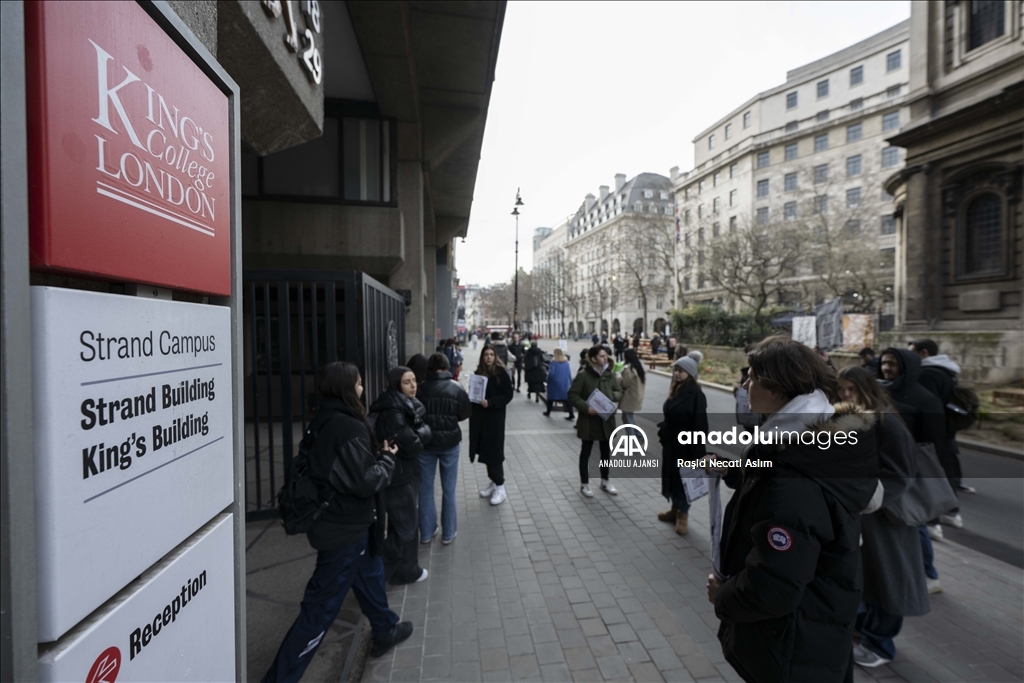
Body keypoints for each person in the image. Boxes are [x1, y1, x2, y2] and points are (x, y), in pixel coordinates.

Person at [708, 337, 879, 683]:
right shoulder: (810, 443)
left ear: (778, 387)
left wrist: (724, 597)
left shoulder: (792, 471)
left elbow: (775, 585)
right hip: (814, 631)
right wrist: (734, 471)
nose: (745, 385)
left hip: (793, 647)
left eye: (752, 377)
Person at [262, 362, 411, 682]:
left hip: (347, 526)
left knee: (369, 573)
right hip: (345, 530)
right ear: (346, 388)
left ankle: (385, 628)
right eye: (358, 383)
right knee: (319, 612)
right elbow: (366, 481)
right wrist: (387, 458)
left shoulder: (323, 419)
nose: (361, 388)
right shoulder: (347, 427)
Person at [837, 366, 930, 669]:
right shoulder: (858, 417)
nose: (846, 395)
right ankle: (867, 630)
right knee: (871, 580)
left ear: (867, 388)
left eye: (852, 388)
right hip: (866, 514)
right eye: (843, 389)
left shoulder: (887, 421)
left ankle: (881, 645)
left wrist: (866, 497)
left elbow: (901, 474)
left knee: (890, 582)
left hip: (887, 519)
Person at [878, 347, 951, 590]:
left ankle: (930, 575)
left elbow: (934, 443)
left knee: (915, 521)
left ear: (907, 367)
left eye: (893, 364)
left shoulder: (926, 399)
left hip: (909, 472)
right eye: (884, 363)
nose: (887, 368)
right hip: (883, 468)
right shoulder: (881, 392)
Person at [368, 366, 432, 585]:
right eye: (407, 382)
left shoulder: (401, 403)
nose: (413, 386)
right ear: (397, 385)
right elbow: (413, 444)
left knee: (403, 525)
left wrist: (419, 431)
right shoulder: (395, 410)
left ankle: (405, 571)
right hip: (397, 477)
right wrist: (424, 431)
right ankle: (374, 574)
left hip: (400, 474)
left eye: (414, 380)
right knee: (405, 528)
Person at [417, 353, 471, 545]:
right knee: (449, 489)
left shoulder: (420, 389)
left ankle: (426, 532)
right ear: (448, 367)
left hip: (425, 444)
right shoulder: (456, 388)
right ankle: (448, 532)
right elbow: (464, 413)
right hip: (450, 443)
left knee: (425, 489)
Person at [911, 339, 973, 497]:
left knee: (935, 464)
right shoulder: (947, 371)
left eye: (913, 352)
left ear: (924, 353)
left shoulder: (927, 374)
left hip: (935, 427)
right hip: (948, 423)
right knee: (948, 458)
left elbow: (926, 403)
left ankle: (945, 504)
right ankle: (953, 494)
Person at [656, 355, 706, 535]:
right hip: (671, 444)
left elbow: (700, 425)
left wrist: (698, 454)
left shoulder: (696, 395)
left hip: (687, 447)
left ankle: (683, 515)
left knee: (686, 480)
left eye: (681, 370)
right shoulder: (676, 388)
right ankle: (674, 509)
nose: (676, 373)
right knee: (673, 478)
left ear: (690, 373)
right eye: (675, 370)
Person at [568, 345, 623, 497]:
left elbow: (619, 391)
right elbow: (573, 395)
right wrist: (585, 408)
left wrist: (612, 396)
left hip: (606, 420)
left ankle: (605, 480)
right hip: (589, 420)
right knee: (586, 452)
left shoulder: (610, 375)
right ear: (593, 359)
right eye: (601, 356)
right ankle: (584, 484)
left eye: (606, 355)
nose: (605, 358)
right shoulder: (583, 375)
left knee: (606, 452)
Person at [469, 345, 515, 506]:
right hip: (481, 419)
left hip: (494, 419)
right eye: (486, 354)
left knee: (494, 452)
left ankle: (500, 486)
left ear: (495, 356)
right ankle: (494, 482)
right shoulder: (478, 373)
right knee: (485, 451)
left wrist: (491, 403)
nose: (489, 357)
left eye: (491, 354)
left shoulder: (501, 373)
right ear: (482, 357)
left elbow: (508, 395)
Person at [544, 348, 575, 420]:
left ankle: (548, 412)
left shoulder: (553, 362)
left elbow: (551, 374)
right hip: (564, 383)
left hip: (554, 383)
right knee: (566, 399)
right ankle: (571, 413)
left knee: (551, 398)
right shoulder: (566, 362)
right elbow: (569, 374)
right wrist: (570, 382)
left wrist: (547, 380)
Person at [618, 348, 646, 426]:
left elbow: (624, 383)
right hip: (636, 396)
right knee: (628, 417)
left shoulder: (629, 369)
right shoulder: (639, 367)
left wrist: (618, 377)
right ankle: (638, 434)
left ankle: (633, 436)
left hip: (629, 397)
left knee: (627, 419)